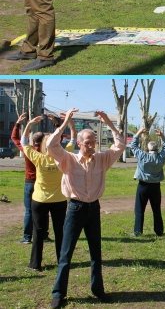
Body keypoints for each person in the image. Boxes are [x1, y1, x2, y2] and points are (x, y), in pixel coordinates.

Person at [47, 108, 125, 309]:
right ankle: (58, 294)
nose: (92, 146)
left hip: (93, 209)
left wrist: (108, 121)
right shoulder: (68, 159)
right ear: (79, 143)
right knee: (66, 254)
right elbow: (51, 144)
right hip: (74, 209)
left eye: (94, 142)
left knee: (95, 253)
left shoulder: (102, 159)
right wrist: (66, 123)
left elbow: (121, 144)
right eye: (88, 142)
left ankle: (98, 290)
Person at [21, 114, 76, 271]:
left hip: (39, 200)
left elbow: (24, 142)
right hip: (58, 200)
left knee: (38, 232)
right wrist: (70, 124)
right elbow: (73, 139)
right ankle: (62, 261)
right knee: (60, 232)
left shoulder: (39, 158)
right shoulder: (63, 157)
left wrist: (29, 124)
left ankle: (35, 264)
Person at [130, 127, 165, 236]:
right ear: (157, 149)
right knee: (156, 210)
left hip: (143, 186)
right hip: (156, 187)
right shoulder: (161, 158)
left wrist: (138, 133)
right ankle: (159, 231)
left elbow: (133, 145)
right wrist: (162, 136)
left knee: (139, 209)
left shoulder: (143, 156)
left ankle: (138, 232)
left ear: (148, 148)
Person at [11, 112, 38, 244]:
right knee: (41, 210)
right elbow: (59, 139)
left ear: (33, 141)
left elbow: (15, 138)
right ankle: (43, 234)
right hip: (41, 184)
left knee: (29, 210)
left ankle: (27, 237)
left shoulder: (29, 150)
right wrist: (59, 124)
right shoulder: (47, 152)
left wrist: (19, 123)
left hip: (29, 182)